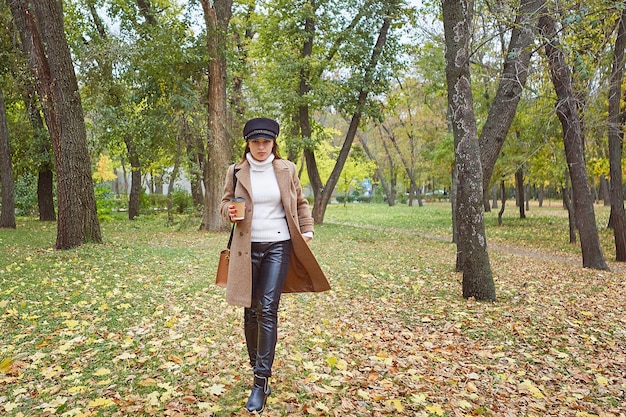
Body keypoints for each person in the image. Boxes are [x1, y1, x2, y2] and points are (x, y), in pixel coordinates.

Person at [220, 117, 331, 414]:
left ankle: (260, 380)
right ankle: (257, 364)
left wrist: (306, 228)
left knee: (268, 308)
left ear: (273, 143)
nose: (260, 147)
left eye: (265, 142)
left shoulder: (287, 169)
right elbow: (224, 203)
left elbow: (300, 203)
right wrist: (228, 211)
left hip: (279, 245)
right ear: (247, 143)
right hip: (247, 249)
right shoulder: (234, 171)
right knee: (250, 309)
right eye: (255, 142)